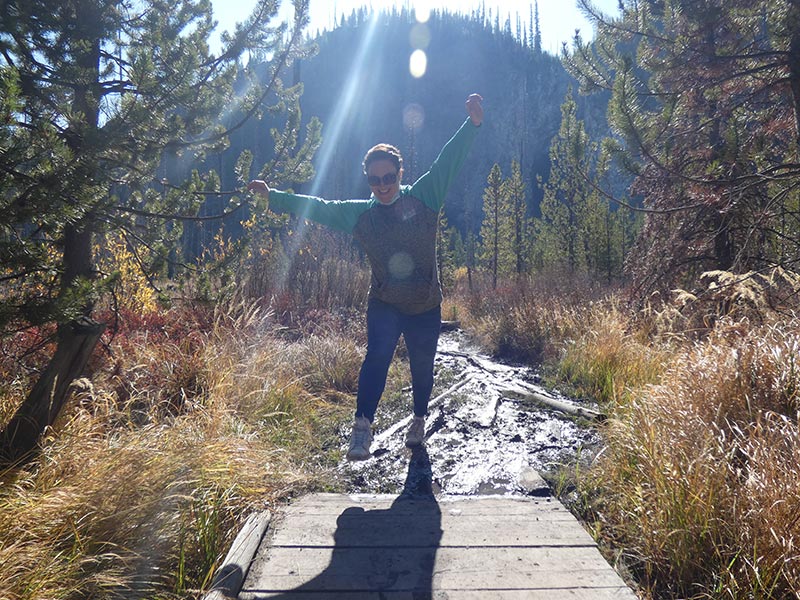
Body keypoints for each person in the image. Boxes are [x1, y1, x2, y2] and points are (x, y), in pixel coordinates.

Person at [248, 93, 484, 460]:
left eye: (389, 176)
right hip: (385, 302)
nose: (383, 185)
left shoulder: (425, 197)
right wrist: (273, 196)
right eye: (375, 179)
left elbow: (446, 162)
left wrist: (472, 124)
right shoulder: (361, 215)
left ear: (400, 174)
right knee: (377, 357)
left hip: (425, 305)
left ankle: (419, 419)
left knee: (423, 369)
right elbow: (317, 208)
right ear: (368, 181)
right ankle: (362, 429)